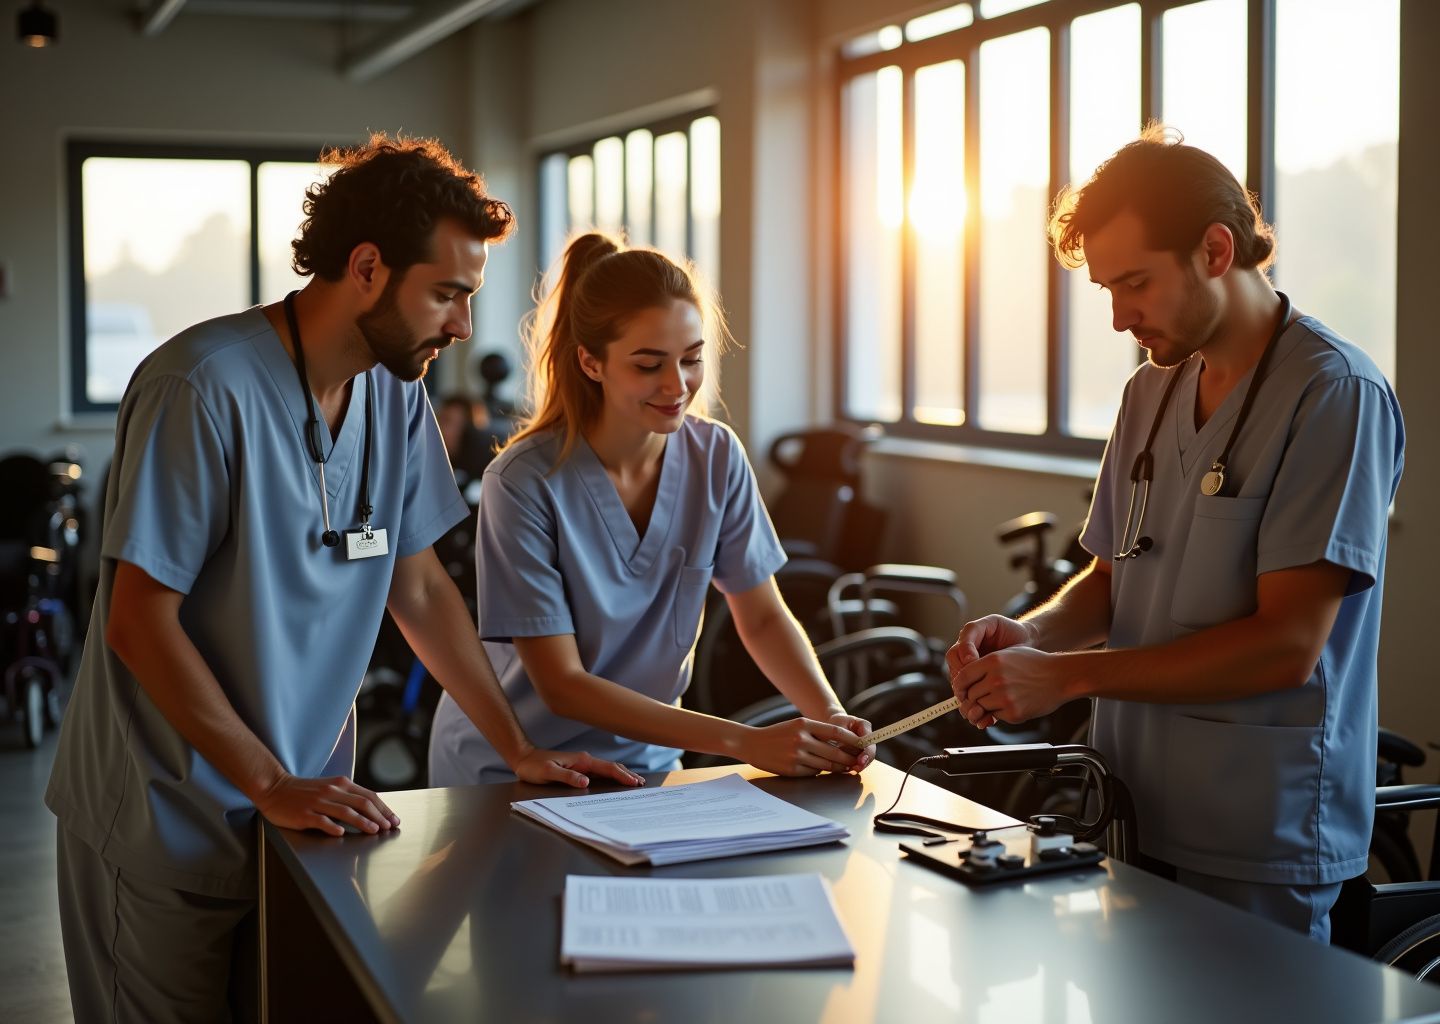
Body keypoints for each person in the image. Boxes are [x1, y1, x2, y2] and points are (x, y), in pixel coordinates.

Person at [45, 134, 640, 1022]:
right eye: (447, 294)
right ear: (367, 268)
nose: (464, 327)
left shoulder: (393, 390)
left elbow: (422, 587)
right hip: (166, 820)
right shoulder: (200, 388)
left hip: (301, 821)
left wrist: (515, 747)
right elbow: (138, 621)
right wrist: (267, 779)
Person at [946, 126, 1404, 942]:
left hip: (1257, 829)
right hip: (1127, 806)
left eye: (1136, 285)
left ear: (1217, 249)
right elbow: (1113, 579)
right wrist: (1031, 633)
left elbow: (1284, 646)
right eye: (1107, 292)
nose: (1122, 317)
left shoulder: (1333, 395)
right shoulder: (1149, 393)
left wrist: (1063, 681)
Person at [428, 232, 876, 785]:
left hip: (646, 764)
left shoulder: (717, 457)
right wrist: (744, 742)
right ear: (591, 363)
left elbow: (759, 614)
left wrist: (827, 713)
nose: (676, 385)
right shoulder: (522, 482)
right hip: (514, 767)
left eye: (691, 360)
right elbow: (561, 683)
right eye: (648, 365)